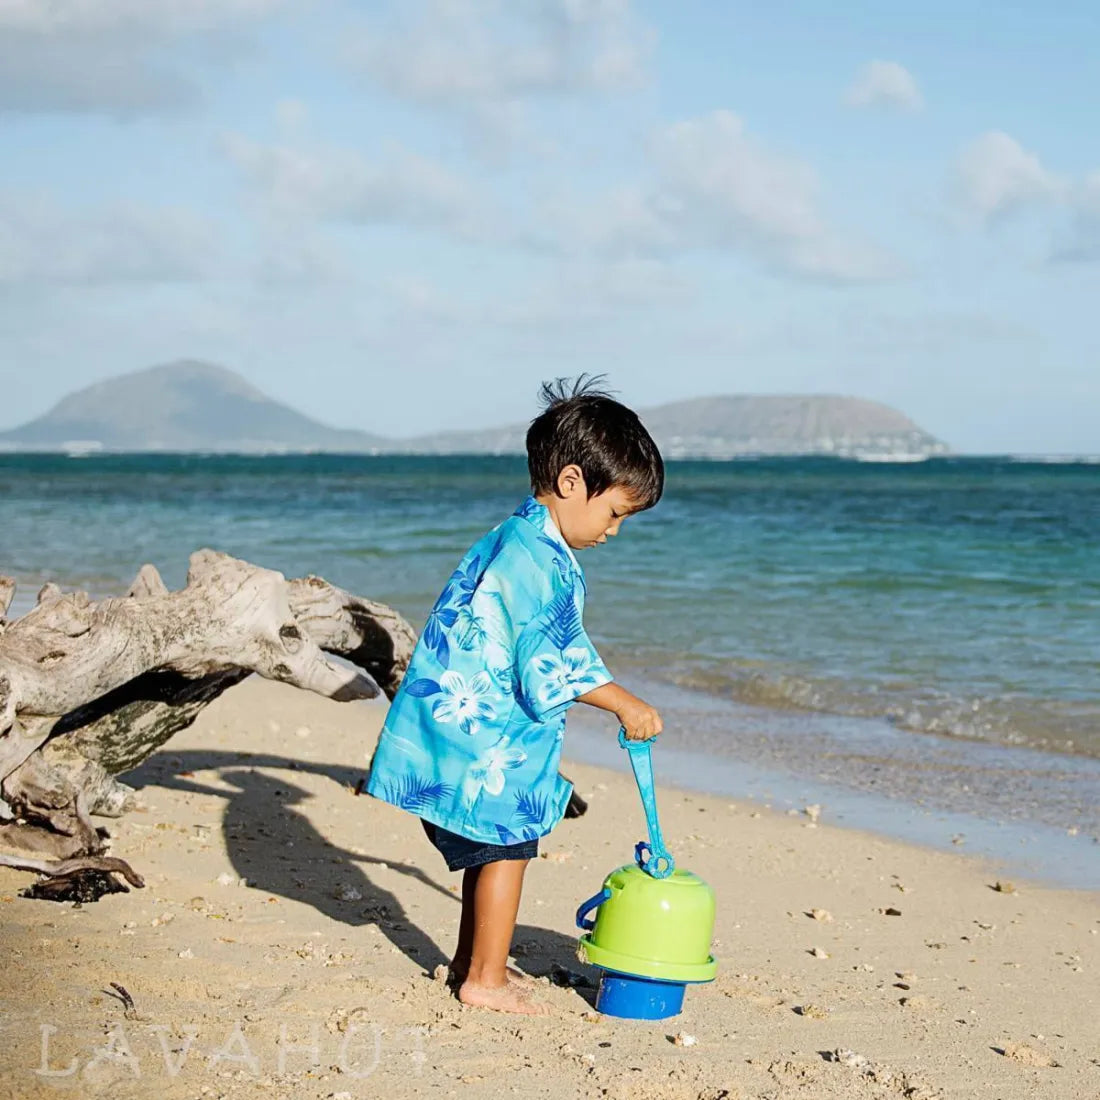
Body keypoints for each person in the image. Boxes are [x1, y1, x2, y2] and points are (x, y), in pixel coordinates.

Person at [365, 376, 664, 1015]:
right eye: (615, 513)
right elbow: (553, 659)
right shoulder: (534, 558)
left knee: (488, 848)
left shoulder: (516, 538)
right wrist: (625, 703)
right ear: (573, 482)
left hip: (460, 732)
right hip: (485, 742)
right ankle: (486, 981)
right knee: (505, 853)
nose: (614, 531)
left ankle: (474, 965)